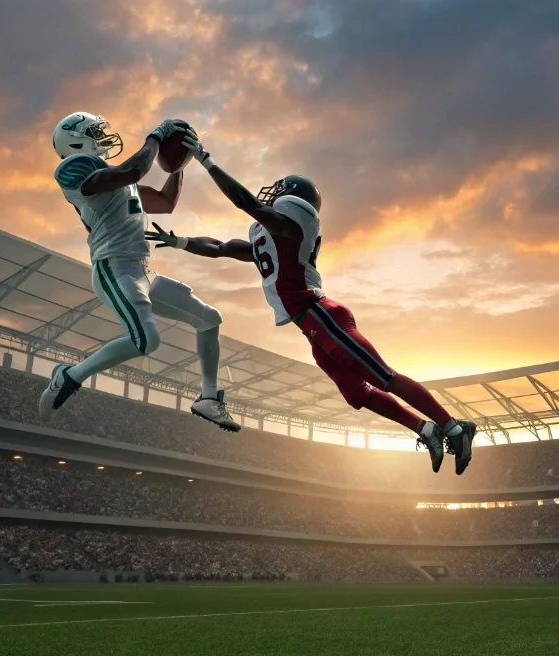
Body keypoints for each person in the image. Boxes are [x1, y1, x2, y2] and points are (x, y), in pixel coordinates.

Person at [146, 128, 477, 474]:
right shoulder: (271, 236)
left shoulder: (293, 226)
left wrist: (204, 157)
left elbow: (245, 202)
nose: (271, 196)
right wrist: (182, 241)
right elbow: (221, 248)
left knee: (382, 376)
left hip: (322, 315)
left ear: (293, 199)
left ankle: (454, 426)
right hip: (311, 326)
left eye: (279, 192)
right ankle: (426, 430)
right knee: (357, 395)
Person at [40, 112, 238, 432]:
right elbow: (132, 170)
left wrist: (179, 166)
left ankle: (209, 397)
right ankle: (70, 376)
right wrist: (155, 138)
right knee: (146, 340)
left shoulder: (118, 179)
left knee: (209, 318)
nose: (104, 137)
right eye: (95, 132)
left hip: (144, 271)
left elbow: (165, 202)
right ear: (74, 140)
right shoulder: (73, 168)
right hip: (114, 268)